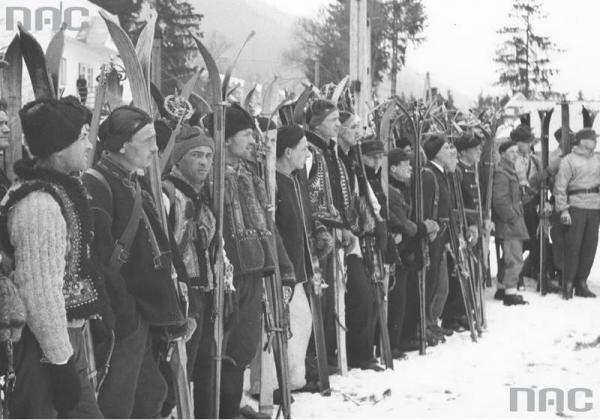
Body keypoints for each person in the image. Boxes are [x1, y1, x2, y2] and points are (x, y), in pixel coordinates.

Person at [1, 96, 110, 418]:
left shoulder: (58, 192)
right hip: (42, 346)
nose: (90, 145)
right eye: (82, 137)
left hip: (61, 337)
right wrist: (61, 362)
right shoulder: (39, 205)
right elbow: (39, 294)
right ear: (59, 148)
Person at [83, 105, 192, 418]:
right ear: (121, 145)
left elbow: (161, 242)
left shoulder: (133, 181)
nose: (156, 148)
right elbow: (100, 260)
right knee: (120, 404)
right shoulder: (97, 185)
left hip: (143, 316)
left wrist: (177, 287)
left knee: (152, 395)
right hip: (123, 320)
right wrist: (128, 316)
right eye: (147, 140)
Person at [194, 105, 295, 418]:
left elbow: (268, 226)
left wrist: (284, 269)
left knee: (241, 350)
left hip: (253, 273)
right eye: (247, 134)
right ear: (226, 139)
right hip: (224, 278)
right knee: (216, 353)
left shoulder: (251, 176)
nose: (253, 141)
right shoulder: (208, 178)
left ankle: (230, 411)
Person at [161, 124, 221, 417]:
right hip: (180, 295)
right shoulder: (167, 193)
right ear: (179, 158)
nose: (203, 162)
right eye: (196, 155)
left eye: (208, 156)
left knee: (204, 366)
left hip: (205, 292)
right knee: (175, 374)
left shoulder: (204, 195)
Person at [304, 99, 357, 370]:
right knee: (318, 296)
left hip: (333, 230)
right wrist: (325, 227)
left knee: (329, 299)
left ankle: (324, 357)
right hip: (317, 234)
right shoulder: (309, 151)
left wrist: (344, 225)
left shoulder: (328, 151)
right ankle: (313, 362)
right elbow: (310, 196)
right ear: (317, 123)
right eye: (332, 120)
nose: (338, 124)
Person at [336, 114, 381, 370]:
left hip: (358, 233)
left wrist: (372, 223)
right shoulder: (334, 158)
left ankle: (362, 353)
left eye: (359, 127)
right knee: (360, 295)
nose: (358, 132)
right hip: (341, 235)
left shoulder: (351, 159)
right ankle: (355, 354)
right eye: (352, 127)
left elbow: (362, 196)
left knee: (366, 295)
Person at [275, 125, 317, 390]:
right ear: (288, 152)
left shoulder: (293, 180)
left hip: (297, 267)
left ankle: (292, 380)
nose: (307, 154)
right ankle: (276, 385)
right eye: (303, 149)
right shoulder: (274, 181)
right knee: (290, 322)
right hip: (283, 268)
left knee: (300, 321)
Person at [386, 148, 439, 352]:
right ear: (393, 168)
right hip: (399, 250)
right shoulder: (391, 191)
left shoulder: (405, 188)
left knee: (409, 296)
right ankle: (395, 342)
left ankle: (405, 337)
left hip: (409, 249)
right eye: (405, 165)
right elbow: (404, 224)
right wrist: (425, 227)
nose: (410, 168)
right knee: (399, 298)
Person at [553, 128, 600, 298]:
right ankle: (568, 282)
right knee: (573, 246)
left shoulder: (596, 159)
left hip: (594, 207)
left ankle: (582, 282)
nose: (594, 141)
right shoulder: (569, 160)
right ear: (582, 141)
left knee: (590, 246)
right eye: (591, 139)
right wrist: (563, 209)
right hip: (576, 206)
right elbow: (560, 187)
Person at [442, 133, 481, 331]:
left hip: (469, 225)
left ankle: (465, 311)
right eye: (475, 149)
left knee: (469, 270)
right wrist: (468, 224)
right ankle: (454, 314)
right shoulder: (457, 172)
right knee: (458, 271)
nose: (479, 152)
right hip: (459, 226)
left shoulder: (469, 170)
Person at [422, 134, 455, 342]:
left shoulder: (442, 173)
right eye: (445, 149)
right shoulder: (430, 174)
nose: (449, 152)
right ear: (435, 153)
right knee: (432, 282)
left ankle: (432, 321)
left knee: (439, 283)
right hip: (434, 235)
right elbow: (428, 206)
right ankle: (426, 323)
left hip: (442, 235)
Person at [492, 140, 530, 305]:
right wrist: (512, 217)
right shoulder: (502, 173)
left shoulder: (510, 172)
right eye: (511, 152)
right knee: (514, 257)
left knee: (508, 257)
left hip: (511, 221)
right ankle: (510, 293)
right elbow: (499, 200)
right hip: (510, 224)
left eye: (516, 152)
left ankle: (502, 288)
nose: (515, 155)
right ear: (502, 154)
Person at [511, 124, 542, 285]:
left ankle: (533, 271)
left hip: (531, 205)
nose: (528, 145)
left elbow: (541, 182)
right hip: (516, 204)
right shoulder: (511, 158)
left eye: (529, 141)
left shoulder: (534, 160)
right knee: (516, 241)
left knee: (534, 239)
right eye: (525, 142)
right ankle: (515, 275)